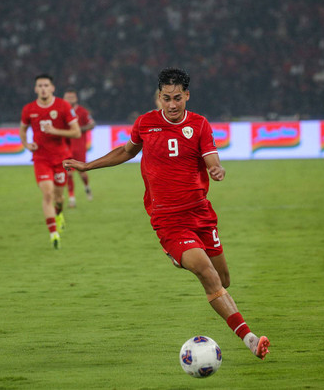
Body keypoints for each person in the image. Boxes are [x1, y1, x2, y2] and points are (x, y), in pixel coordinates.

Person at [63, 68, 270, 360]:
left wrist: (215, 167)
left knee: (224, 280)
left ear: (186, 95)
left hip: (200, 213)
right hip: (169, 220)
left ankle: (181, 258)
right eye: (165, 98)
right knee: (208, 275)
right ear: (158, 96)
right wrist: (87, 166)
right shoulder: (146, 123)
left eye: (177, 98)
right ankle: (249, 338)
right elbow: (126, 151)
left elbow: (210, 154)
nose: (171, 105)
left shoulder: (199, 125)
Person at [20, 74, 81, 249]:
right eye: (40, 86)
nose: (43, 89)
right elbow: (22, 129)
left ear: (52, 88)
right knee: (47, 194)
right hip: (40, 158)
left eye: (46, 85)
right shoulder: (29, 109)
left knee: (58, 197)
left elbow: (76, 132)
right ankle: (53, 233)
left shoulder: (63, 106)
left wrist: (55, 131)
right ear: (35, 89)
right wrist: (25, 144)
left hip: (61, 159)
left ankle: (59, 213)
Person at [63, 88, 96, 208]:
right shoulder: (61, 111)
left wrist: (79, 130)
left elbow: (92, 124)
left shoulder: (82, 111)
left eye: (72, 97)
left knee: (82, 173)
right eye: (67, 97)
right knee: (69, 173)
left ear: (76, 98)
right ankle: (72, 199)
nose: (69, 99)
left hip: (79, 147)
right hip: (65, 148)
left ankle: (87, 186)